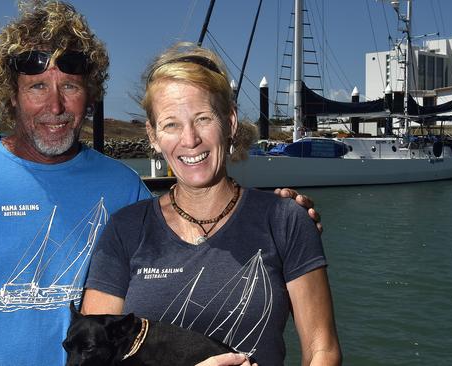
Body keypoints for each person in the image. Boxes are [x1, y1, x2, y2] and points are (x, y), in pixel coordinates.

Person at [0, 2, 320, 366]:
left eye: (70, 87)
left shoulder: (123, 187)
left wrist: (276, 217)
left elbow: (190, 236)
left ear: (90, 94)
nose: (55, 105)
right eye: (38, 87)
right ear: (11, 95)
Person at [82, 43, 341, 365]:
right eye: (171, 124)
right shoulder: (125, 230)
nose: (189, 140)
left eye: (203, 118)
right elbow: (90, 353)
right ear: (153, 135)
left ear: (230, 122)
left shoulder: (286, 219)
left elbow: (322, 351)